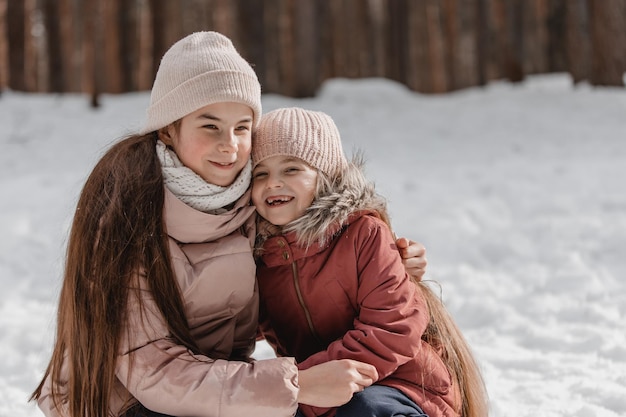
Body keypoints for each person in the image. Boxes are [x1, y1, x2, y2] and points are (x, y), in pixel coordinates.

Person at [30, 31, 426, 417]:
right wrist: (295, 385)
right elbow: (150, 368)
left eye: (242, 127)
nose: (230, 145)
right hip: (125, 400)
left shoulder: (251, 199)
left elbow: (282, 276)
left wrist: (381, 267)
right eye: (210, 126)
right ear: (169, 129)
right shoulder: (127, 214)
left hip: (215, 390)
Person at [251, 107, 489, 417]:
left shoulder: (363, 233)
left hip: (402, 386)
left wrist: (303, 385)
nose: (273, 182)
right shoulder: (262, 260)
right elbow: (229, 329)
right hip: (319, 395)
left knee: (366, 408)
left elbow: (394, 328)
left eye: (292, 169)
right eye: (260, 173)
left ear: (325, 177)